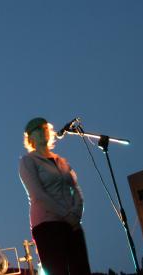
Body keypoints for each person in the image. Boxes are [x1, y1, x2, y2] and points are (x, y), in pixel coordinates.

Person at [18, 117, 91, 275]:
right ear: (30, 138)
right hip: (48, 225)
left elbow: (75, 188)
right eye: (37, 129)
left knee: (81, 269)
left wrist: (76, 213)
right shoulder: (28, 161)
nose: (43, 131)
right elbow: (38, 195)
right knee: (58, 270)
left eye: (45, 127)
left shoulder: (61, 161)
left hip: (72, 223)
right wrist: (66, 215)